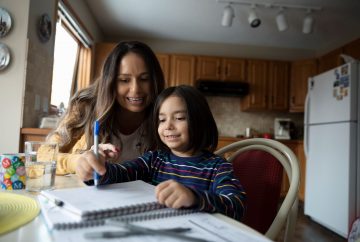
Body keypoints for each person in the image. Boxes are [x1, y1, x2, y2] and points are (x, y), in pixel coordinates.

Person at [76, 85, 246, 221]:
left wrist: (195, 198)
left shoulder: (218, 167)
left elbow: (236, 205)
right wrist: (96, 169)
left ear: (200, 121)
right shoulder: (154, 160)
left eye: (179, 118)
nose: (168, 126)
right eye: (162, 120)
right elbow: (120, 173)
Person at [47, 41, 165, 175]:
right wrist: (77, 161)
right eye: (124, 80)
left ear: (155, 81)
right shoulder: (86, 105)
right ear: (110, 82)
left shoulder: (165, 114)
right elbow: (45, 154)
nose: (135, 89)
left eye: (144, 79)